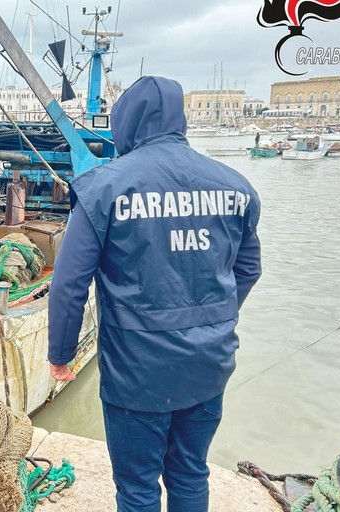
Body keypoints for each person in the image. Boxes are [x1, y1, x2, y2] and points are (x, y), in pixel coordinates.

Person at [47, 76, 262, 512]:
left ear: (125, 123)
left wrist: (60, 354)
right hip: (209, 366)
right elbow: (249, 268)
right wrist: (213, 320)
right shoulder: (237, 187)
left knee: (138, 487)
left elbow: (69, 284)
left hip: (136, 373)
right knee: (189, 472)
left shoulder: (103, 188)